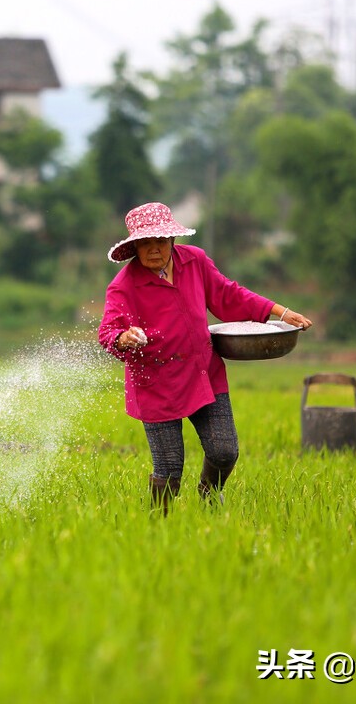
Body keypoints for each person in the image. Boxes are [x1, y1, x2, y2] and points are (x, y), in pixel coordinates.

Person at [97, 202, 313, 515]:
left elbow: (230, 295)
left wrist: (278, 312)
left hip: (203, 374)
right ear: (134, 248)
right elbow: (108, 332)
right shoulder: (124, 286)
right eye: (146, 244)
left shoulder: (194, 262)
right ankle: (159, 522)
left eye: (160, 242)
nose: (154, 250)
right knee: (170, 469)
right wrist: (123, 338)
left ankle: (209, 495)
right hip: (156, 385)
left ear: (173, 240)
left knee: (225, 451)